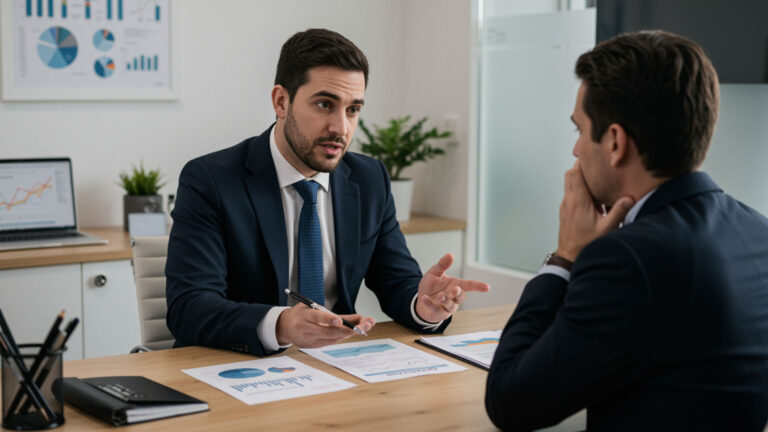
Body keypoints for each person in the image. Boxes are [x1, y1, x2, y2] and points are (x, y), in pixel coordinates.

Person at [485, 30, 768, 431]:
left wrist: (565, 256)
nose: (576, 150)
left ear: (615, 142)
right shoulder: (759, 231)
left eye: (579, 131)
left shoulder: (629, 258)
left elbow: (509, 403)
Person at [165, 28, 489, 357]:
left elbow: (396, 280)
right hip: (237, 367)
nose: (341, 128)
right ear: (281, 101)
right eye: (324, 104)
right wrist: (282, 324)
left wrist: (423, 305)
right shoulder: (212, 180)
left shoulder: (369, 178)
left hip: (336, 366)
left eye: (353, 110)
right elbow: (190, 308)